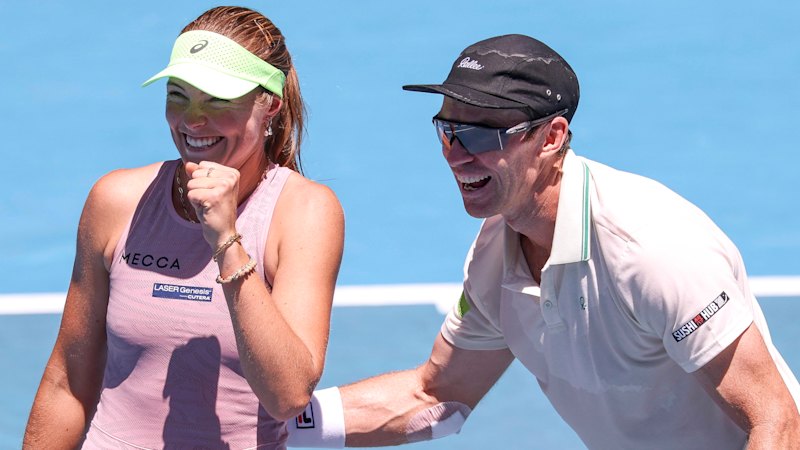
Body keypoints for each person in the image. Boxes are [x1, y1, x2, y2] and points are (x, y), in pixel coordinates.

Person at [286, 34, 800, 449]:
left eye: (482, 136)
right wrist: (270, 424)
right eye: (448, 130)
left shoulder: (652, 251)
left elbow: (777, 422)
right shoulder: (495, 254)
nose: (457, 155)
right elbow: (435, 398)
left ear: (551, 138)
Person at [23, 6, 344, 449]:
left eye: (218, 100)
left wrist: (226, 242)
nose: (192, 120)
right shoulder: (116, 200)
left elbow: (287, 396)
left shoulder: (306, 212)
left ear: (269, 104)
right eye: (179, 96)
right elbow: (68, 382)